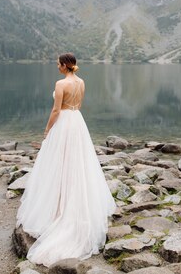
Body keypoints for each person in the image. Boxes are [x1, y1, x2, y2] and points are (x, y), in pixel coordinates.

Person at [16, 53, 116, 266]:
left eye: (58, 63)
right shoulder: (81, 82)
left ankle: (58, 210)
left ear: (64, 65)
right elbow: (78, 106)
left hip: (63, 123)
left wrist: (47, 129)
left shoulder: (61, 83)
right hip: (77, 122)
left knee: (58, 163)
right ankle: (71, 205)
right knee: (77, 163)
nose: (56, 66)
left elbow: (55, 109)